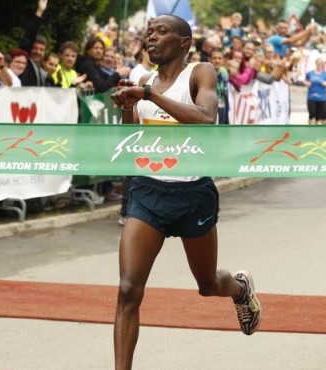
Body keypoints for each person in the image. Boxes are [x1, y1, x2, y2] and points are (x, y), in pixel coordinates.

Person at [110, 14, 262, 370]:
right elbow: (129, 141)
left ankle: (240, 289)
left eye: (161, 32)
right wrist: (128, 108)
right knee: (128, 290)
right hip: (148, 192)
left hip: (192, 193)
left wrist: (148, 95)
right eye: (149, 32)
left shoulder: (200, 72)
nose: (152, 37)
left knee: (208, 284)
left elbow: (206, 118)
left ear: (183, 42)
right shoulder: (143, 79)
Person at [18, 0, 49, 87]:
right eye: (35, 48)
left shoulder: (40, 70)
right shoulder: (24, 61)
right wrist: (39, 11)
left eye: (41, 49)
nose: (38, 52)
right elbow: (29, 36)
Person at [304, 57, 326, 125]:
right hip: (311, 96)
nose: (319, 65)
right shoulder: (310, 73)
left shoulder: (325, 75)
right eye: (318, 63)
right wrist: (308, 83)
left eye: (321, 63)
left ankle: (316, 128)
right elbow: (305, 81)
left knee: (318, 115)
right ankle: (310, 127)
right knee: (311, 113)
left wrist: (323, 82)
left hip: (321, 97)